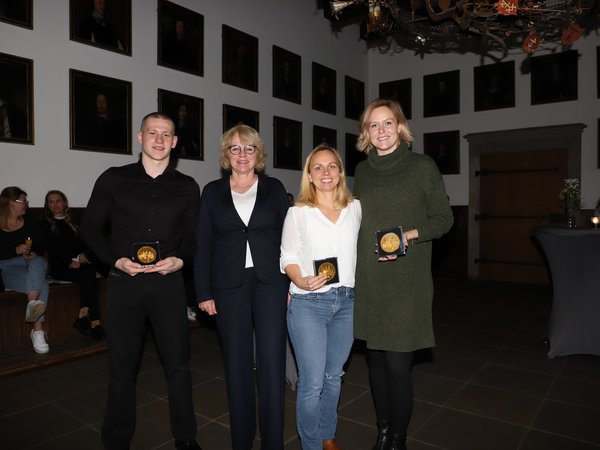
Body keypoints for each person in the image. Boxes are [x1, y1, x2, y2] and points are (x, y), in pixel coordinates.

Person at [80, 112, 202, 450]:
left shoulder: (187, 187)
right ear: (140, 137)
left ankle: (186, 437)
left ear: (175, 142)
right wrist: (113, 260)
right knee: (121, 367)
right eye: (153, 132)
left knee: (177, 364)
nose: (159, 139)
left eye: (167, 134)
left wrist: (180, 259)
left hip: (167, 285)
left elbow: (194, 239)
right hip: (124, 282)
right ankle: (116, 440)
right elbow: (89, 227)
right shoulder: (113, 179)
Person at [353, 98, 454, 450]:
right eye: (373, 125)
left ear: (400, 126)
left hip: (405, 283)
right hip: (369, 280)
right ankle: (382, 430)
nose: (381, 131)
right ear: (365, 132)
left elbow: (444, 219)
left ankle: (398, 438)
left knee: (398, 366)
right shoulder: (362, 172)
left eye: (387, 123)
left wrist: (408, 235)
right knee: (376, 366)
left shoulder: (422, 166)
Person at [194, 124, 289, 450]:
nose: (242, 154)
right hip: (228, 285)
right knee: (236, 364)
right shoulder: (211, 192)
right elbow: (203, 244)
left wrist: (293, 284)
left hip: (271, 283)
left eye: (248, 148)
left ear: (258, 153)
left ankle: (273, 441)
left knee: (272, 363)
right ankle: (242, 439)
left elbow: (290, 240)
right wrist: (203, 291)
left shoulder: (275, 189)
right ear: (226, 155)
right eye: (235, 148)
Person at [280, 145, 361, 450]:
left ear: (340, 172)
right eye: (318, 167)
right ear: (310, 176)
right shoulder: (298, 212)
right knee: (312, 383)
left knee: (334, 376)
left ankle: (327, 435)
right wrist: (300, 279)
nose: (325, 172)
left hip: (347, 303)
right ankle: (311, 445)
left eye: (331, 166)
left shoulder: (356, 208)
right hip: (308, 305)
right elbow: (286, 255)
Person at [40, 190, 105, 341]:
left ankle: (86, 318)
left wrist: (85, 255)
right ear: (47, 205)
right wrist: (69, 262)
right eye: (51, 202)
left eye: (58, 201)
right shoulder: (45, 224)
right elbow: (52, 250)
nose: (55, 205)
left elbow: (88, 243)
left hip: (80, 265)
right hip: (60, 267)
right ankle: (94, 322)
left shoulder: (75, 222)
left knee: (89, 273)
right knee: (90, 276)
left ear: (64, 203)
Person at [0, 186, 49, 354]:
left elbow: (42, 243)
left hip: (31, 262)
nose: (26, 204)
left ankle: (33, 305)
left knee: (38, 262)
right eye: (23, 201)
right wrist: (14, 250)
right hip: (7, 266)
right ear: (11, 203)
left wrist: (34, 250)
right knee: (42, 283)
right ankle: (37, 330)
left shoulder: (30, 220)